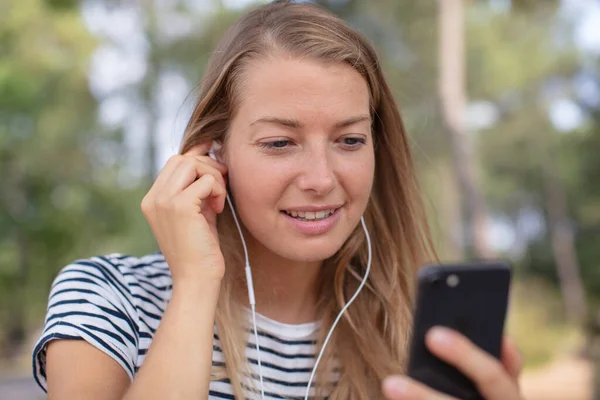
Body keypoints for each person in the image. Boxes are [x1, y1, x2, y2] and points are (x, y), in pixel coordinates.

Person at [32, 1, 524, 399]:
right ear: (213, 152)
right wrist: (196, 283)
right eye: (279, 143)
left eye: (349, 140)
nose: (320, 179)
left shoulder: (418, 331)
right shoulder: (108, 298)